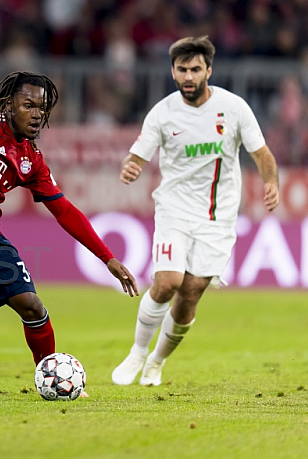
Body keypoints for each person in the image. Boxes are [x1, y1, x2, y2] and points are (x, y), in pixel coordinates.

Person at [0, 71, 139, 368]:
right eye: (28, 105)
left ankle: (49, 374)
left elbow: (65, 211)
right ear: (9, 105)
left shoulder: (31, 159)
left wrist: (107, 258)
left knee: (32, 307)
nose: (36, 114)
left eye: (42, 108)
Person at [111, 36, 279, 387]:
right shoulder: (163, 112)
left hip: (218, 217)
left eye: (195, 69)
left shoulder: (233, 109)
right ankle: (137, 353)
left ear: (209, 71)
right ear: (172, 71)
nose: (188, 76)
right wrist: (131, 166)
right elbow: (137, 154)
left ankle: (156, 362)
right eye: (182, 69)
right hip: (174, 209)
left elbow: (262, 154)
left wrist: (271, 182)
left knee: (191, 292)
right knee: (167, 282)